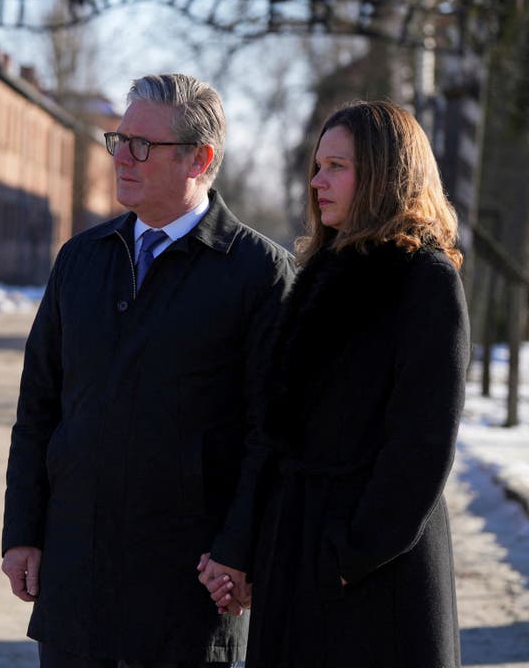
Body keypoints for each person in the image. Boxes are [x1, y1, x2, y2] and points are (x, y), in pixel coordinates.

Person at [1, 73, 294, 667]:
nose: (122, 158)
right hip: (75, 582)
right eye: (119, 140)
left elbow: (273, 435)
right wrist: (22, 531)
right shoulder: (81, 259)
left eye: (143, 145)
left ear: (200, 159)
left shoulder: (259, 275)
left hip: (187, 590)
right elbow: (39, 407)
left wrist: (238, 551)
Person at [200, 100, 469, 666]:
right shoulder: (323, 272)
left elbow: (421, 445)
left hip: (373, 577)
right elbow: (284, 430)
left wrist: (351, 555)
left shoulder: (424, 279)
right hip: (298, 556)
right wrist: (257, 548)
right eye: (317, 167)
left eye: (337, 167)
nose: (317, 182)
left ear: (385, 173)